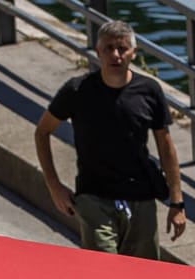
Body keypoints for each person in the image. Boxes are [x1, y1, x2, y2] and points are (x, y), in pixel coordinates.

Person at [34, 20, 186, 259]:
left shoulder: (149, 90)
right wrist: (54, 186)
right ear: (98, 52)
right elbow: (42, 132)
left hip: (141, 198)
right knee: (103, 271)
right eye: (108, 49)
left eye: (122, 49)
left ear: (133, 53)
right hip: (93, 196)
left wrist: (177, 203)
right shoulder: (77, 90)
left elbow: (166, 148)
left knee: (142, 278)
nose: (116, 55)